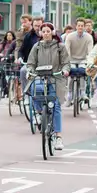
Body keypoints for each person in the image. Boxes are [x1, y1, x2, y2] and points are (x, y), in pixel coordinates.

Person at [27, 22, 69, 150]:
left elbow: (66, 62)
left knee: (55, 105)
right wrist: (30, 71)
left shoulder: (60, 47)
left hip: (56, 78)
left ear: (53, 32)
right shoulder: (37, 47)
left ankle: (58, 137)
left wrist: (65, 70)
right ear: (40, 33)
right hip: (40, 76)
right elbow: (31, 63)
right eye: (43, 31)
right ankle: (39, 113)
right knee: (35, 91)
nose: (46, 33)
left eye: (48, 31)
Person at [64, 18, 94, 106]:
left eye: (82, 26)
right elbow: (66, 50)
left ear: (84, 27)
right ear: (76, 27)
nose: (80, 27)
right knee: (71, 75)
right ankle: (69, 95)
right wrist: (67, 62)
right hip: (72, 59)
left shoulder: (89, 37)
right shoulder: (69, 36)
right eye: (79, 26)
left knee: (82, 73)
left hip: (83, 60)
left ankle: (83, 93)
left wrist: (89, 62)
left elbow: (90, 52)